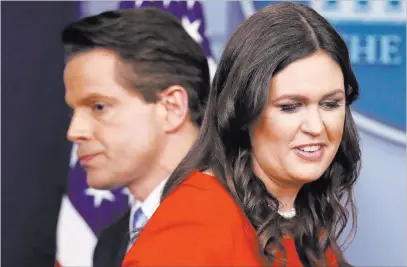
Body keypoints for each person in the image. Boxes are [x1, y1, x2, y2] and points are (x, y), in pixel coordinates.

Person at [163, 2, 361, 267]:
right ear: (242, 112)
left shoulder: (300, 216)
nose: (316, 126)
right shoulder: (196, 219)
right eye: (290, 107)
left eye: (330, 104)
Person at [62, 7, 261, 267]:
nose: (74, 131)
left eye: (98, 106)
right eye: (73, 111)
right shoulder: (112, 242)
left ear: (172, 108)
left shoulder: (257, 223)